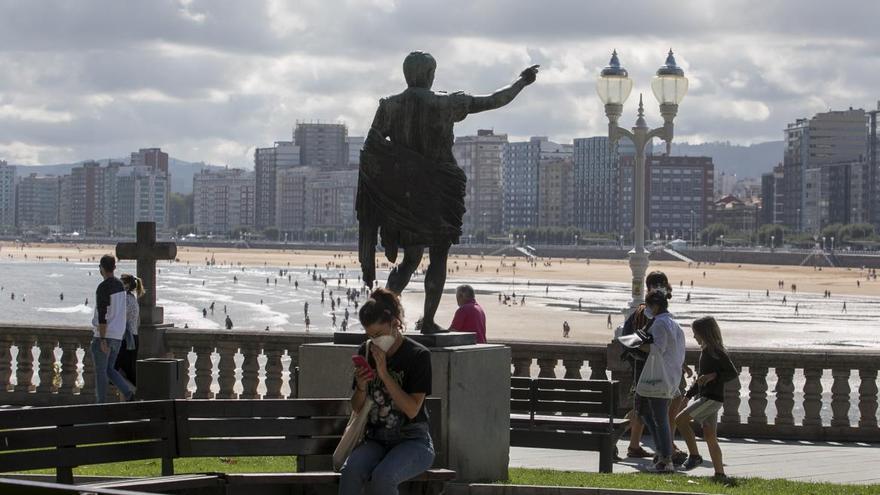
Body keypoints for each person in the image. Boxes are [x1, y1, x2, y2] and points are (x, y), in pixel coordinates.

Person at [339, 288, 434, 494]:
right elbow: (356, 407)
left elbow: (412, 410)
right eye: (370, 336)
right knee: (350, 472)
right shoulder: (366, 351)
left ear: (394, 323)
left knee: (384, 477)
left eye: (379, 334)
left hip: (412, 440)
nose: (375, 341)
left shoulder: (418, 356)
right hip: (375, 439)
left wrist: (384, 374)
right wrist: (361, 386)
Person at [675, 316, 738, 482]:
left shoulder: (715, 351)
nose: (694, 336)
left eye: (695, 333)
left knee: (680, 420)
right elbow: (700, 379)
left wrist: (713, 376)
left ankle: (694, 456)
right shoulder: (706, 351)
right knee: (710, 437)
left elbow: (732, 373)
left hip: (711, 399)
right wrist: (688, 396)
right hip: (707, 397)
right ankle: (720, 474)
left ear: (704, 333)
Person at [634, 288, 686, 473]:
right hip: (671, 376)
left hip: (660, 377)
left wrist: (636, 344)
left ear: (655, 306)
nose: (647, 310)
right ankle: (662, 453)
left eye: (649, 306)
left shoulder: (660, 323)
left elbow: (658, 348)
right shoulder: (674, 324)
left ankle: (665, 458)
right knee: (650, 415)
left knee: (659, 418)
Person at [90, 255, 135, 403]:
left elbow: (103, 315)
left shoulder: (103, 287)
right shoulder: (120, 286)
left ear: (101, 268)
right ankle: (128, 393)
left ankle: (101, 405)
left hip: (105, 335)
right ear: (114, 267)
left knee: (101, 372)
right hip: (117, 335)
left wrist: (102, 339)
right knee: (109, 369)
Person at [115, 274, 144, 386]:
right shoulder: (132, 298)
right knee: (130, 370)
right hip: (133, 337)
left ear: (126, 285)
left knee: (121, 369)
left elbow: (120, 318)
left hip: (127, 339)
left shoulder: (125, 299)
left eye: (120, 282)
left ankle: (131, 392)